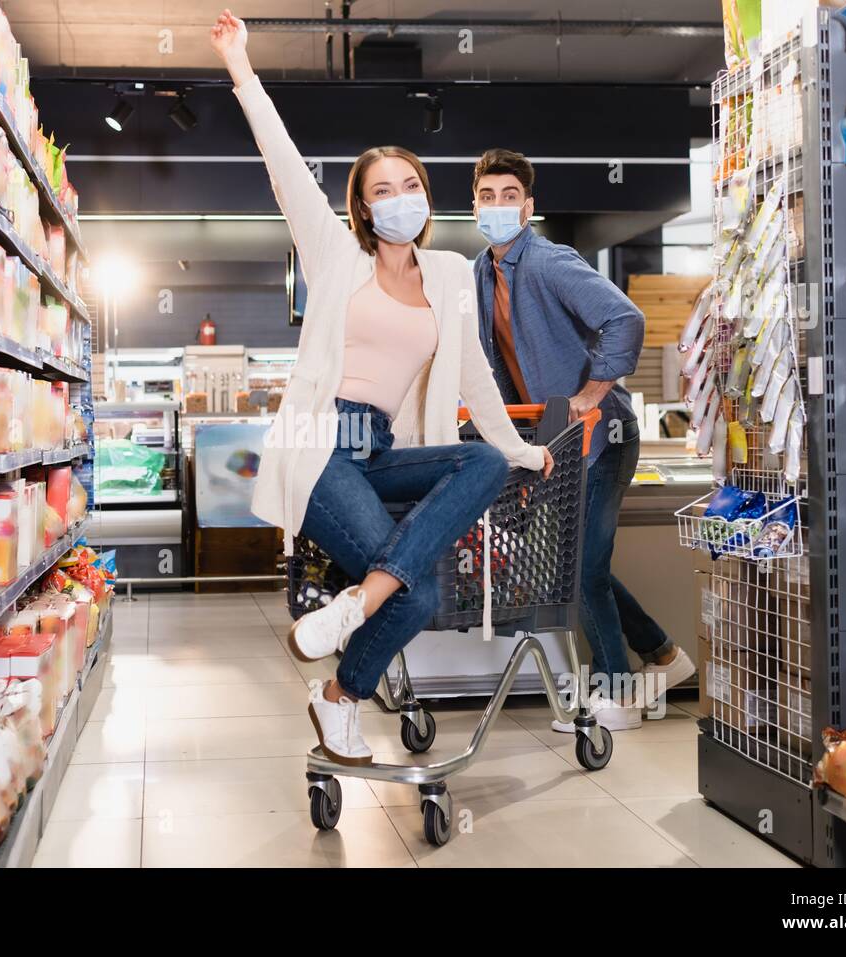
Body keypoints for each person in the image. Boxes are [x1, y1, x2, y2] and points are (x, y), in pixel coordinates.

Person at [210, 11, 554, 766]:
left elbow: (472, 374)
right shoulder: (336, 254)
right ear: (363, 206)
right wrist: (241, 69)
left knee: (482, 467)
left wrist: (518, 448)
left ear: (425, 195)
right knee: (419, 594)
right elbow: (285, 167)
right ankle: (344, 695)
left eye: (410, 184)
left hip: (384, 447)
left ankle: (343, 653)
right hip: (323, 440)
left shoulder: (451, 273)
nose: (399, 196)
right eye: (382, 189)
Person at [470, 148, 695, 732]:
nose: (498, 206)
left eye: (509, 196)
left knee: (582, 567)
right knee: (576, 565)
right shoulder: (478, 273)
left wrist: (591, 395)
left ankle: (618, 694)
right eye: (488, 196)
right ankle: (665, 656)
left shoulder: (547, 261)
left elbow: (626, 319)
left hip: (602, 435)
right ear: (475, 204)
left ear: (528, 207)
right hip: (552, 444)